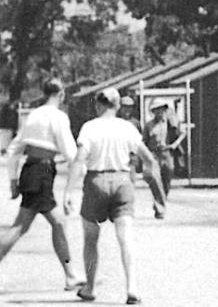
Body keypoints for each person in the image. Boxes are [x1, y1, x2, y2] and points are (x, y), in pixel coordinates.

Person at [66, 88, 164, 304]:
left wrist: (68, 192)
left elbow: (79, 159)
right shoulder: (127, 127)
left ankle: (90, 288)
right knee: (126, 238)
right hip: (122, 182)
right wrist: (149, 173)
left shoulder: (89, 127)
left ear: (98, 105)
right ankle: (132, 288)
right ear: (118, 105)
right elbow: (147, 157)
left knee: (91, 239)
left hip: (96, 182)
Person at [0, 78, 84, 291]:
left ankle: (71, 275)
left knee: (54, 224)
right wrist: (81, 168)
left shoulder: (33, 115)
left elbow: (14, 149)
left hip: (31, 170)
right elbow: (70, 152)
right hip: (43, 173)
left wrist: (12, 179)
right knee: (22, 227)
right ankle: (71, 275)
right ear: (62, 93)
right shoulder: (59, 117)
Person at [121, 96, 166, 219]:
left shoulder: (135, 123)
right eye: (124, 107)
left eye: (129, 108)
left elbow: (140, 142)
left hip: (131, 157)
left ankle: (128, 209)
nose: (127, 110)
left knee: (130, 183)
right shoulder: (115, 121)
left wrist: (140, 160)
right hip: (118, 156)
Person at [143, 101, 181, 196]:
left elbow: (183, 133)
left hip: (166, 153)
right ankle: (159, 199)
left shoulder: (170, 122)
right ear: (154, 111)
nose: (160, 112)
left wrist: (175, 144)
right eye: (157, 109)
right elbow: (144, 141)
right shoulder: (148, 125)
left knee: (168, 176)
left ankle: (164, 197)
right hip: (154, 154)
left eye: (162, 109)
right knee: (155, 178)